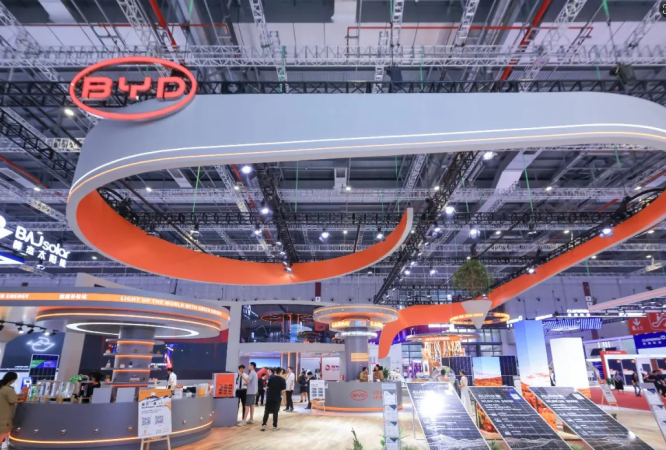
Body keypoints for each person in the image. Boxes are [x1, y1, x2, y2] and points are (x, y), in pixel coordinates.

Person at [0, 372, 20, 445]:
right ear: (12, 380)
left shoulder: (2, 387)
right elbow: (12, 400)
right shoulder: (9, 389)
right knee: (4, 432)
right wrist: (21, 400)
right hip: (5, 417)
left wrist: (18, 395)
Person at [239, 362, 258, 426]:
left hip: (250, 392)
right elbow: (250, 382)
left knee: (246, 406)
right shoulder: (254, 373)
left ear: (252, 366)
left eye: (249, 365)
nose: (248, 366)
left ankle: (244, 421)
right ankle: (251, 419)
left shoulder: (252, 373)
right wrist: (247, 384)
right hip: (253, 392)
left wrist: (242, 375)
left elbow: (247, 381)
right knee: (251, 406)